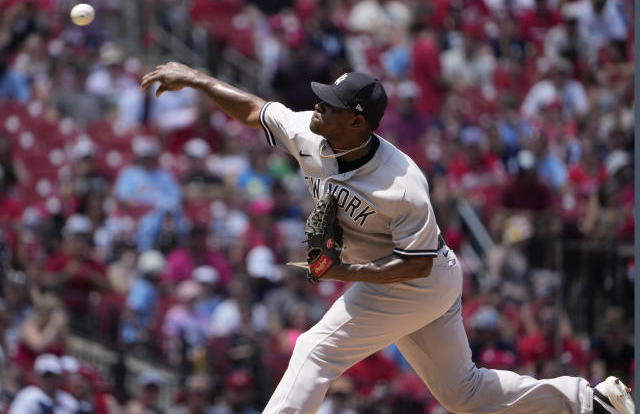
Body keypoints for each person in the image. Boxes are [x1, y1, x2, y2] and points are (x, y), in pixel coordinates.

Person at [141, 62, 634, 414]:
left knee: (315, 349)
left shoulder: (402, 185)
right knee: (462, 395)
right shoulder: (313, 134)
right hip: (413, 280)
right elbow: (255, 112)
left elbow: (416, 265)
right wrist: (197, 79)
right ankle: (585, 400)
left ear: (357, 120)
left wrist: (347, 272)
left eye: (331, 105)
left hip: (415, 279)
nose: (317, 106)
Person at [9, 353, 78, 414]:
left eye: (52, 376)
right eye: (46, 376)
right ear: (37, 376)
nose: (49, 380)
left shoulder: (69, 401)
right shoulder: (28, 396)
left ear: (59, 377)